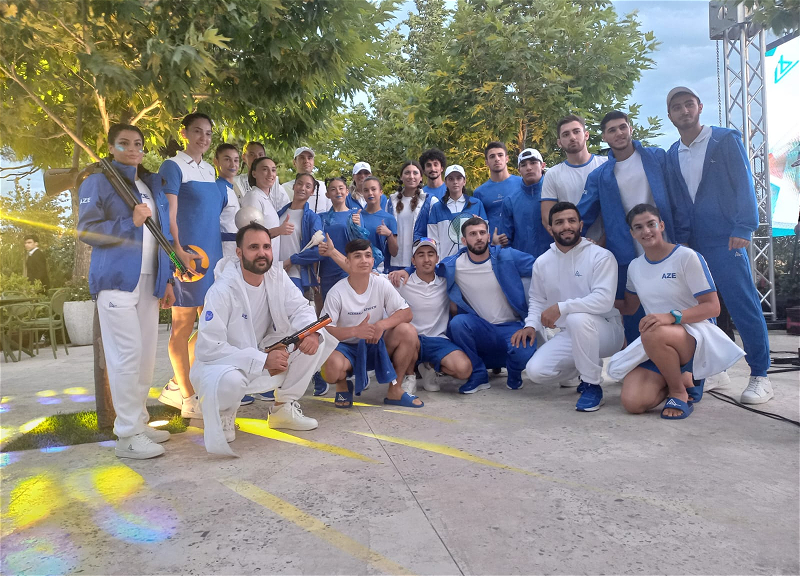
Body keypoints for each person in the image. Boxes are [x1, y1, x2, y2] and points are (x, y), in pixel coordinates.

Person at [664, 86, 773, 405]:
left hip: (726, 238)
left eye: (689, 104)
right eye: (677, 107)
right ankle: (715, 371)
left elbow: (743, 182)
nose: (684, 111)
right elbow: (677, 199)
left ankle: (760, 375)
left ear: (700, 107)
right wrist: (680, 238)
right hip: (692, 243)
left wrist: (744, 226)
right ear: (670, 115)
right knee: (700, 309)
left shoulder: (724, 139)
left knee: (743, 304)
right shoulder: (673, 152)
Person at [190, 223, 337, 456]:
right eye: (254, 247)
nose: (262, 253)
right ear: (239, 253)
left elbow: (300, 309)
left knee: (319, 337)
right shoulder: (221, 290)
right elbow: (209, 348)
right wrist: (262, 360)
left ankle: (283, 409)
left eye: (266, 247)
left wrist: (311, 332)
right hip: (224, 363)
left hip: (263, 351)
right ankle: (223, 413)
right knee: (230, 381)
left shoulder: (276, 276)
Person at [78, 123, 176, 459]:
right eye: (123, 143)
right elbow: (87, 231)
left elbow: (162, 235)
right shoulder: (98, 181)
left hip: (149, 280)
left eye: (138, 143)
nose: (132, 149)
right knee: (126, 356)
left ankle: (139, 423)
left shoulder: (149, 184)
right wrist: (128, 222)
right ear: (110, 147)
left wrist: (167, 279)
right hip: (116, 281)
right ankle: (127, 435)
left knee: (145, 358)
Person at [609, 204, 744, 419]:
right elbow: (628, 307)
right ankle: (684, 378)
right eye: (639, 227)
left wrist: (671, 317)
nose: (646, 231)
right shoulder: (635, 266)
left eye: (651, 224)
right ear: (632, 233)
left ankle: (678, 391)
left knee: (652, 331)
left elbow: (713, 307)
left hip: (694, 335)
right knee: (633, 402)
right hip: (657, 341)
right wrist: (588, 301)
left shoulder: (686, 256)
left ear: (661, 226)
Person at [577, 110, 683, 346]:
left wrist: (684, 237)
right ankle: (641, 361)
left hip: (665, 245)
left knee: (675, 305)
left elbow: (678, 198)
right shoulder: (600, 175)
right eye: (612, 130)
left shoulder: (657, 157)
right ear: (604, 137)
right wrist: (570, 242)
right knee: (634, 315)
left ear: (631, 129)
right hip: (626, 253)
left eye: (622, 127)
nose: (619, 133)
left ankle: (683, 361)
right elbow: (583, 214)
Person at [511, 202, 624, 412]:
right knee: (536, 372)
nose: (566, 226)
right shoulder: (542, 262)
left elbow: (604, 300)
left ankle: (591, 385)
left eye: (572, 221)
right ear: (550, 228)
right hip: (570, 333)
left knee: (576, 318)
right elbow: (537, 299)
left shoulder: (601, 256)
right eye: (559, 222)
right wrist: (531, 325)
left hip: (607, 331)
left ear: (581, 224)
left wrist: (561, 308)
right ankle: (583, 367)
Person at [157, 112, 227, 419]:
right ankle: (186, 397)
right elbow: (168, 216)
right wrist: (176, 256)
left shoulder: (210, 170)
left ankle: (177, 383)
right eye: (197, 131)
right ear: (184, 133)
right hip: (187, 259)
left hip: (213, 260)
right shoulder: (172, 166)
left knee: (212, 327)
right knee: (182, 327)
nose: (204, 138)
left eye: (209, 133)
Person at [320, 238, 423, 408]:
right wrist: (355, 331)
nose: (364, 260)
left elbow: (406, 313)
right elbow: (325, 329)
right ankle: (342, 384)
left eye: (367, 255)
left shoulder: (381, 284)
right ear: (347, 262)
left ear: (373, 261)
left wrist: (381, 325)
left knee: (408, 331)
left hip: (375, 343)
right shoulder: (336, 292)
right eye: (357, 256)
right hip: (346, 348)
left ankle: (395, 390)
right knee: (331, 370)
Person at [442, 217, 536, 393]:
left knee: (524, 353)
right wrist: (406, 271)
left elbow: (541, 266)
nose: (478, 237)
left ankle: (514, 372)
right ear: (464, 240)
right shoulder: (454, 264)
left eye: (482, 233)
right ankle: (478, 375)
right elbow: (428, 268)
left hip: (512, 327)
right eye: (473, 234)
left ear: (488, 236)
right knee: (458, 323)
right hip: (482, 329)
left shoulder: (506, 256)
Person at [388, 238, 473, 392]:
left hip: (438, 340)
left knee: (464, 369)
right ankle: (409, 375)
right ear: (413, 260)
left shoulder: (446, 282)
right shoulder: (400, 281)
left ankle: (429, 368)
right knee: (406, 334)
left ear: (437, 258)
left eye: (430, 254)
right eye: (421, 255)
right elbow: (371, 276)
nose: (426, 259)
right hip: (411, 340)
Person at [540, 114, 607, 241]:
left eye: (576, 132)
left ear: (586, 135)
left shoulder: (605, 165)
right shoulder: (553, 174)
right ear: (559, 143)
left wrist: (601, 244)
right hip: (571, 246)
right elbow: (547, 218)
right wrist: (572, 243)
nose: (572, 137)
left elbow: (617, 209)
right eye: (566, 134)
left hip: (608, 246)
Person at [421, 165, 487, 259]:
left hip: (473, 261)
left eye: (459, 178)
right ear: (446, 182)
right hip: (445, 262)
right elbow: (433, 239)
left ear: (464, 181)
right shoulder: (437, 207)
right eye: (451, 179)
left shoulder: (476, 204)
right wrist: (438, 262)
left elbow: (485, 234)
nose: (455, 182)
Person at [496, 148, 550, 258]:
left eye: (533, 163)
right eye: (524, 165)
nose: (529, 168)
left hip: (554, 262)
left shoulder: (555, 194)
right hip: (522, 265)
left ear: (542, 165)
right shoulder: (510, 201)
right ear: (519, 170)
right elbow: (504, 242)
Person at [276, 173, 323, 293]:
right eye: (300, 184)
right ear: (294, 186)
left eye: (308, 186)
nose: (302, 188)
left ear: (312, 192)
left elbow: (320, 250)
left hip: (295, 274)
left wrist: (292, 260)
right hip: (275, 271)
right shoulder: (280, 213)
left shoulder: (312, 218)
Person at [386, 160, 437, 271]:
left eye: (415, 173)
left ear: (421, 177)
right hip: (394, 261)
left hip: (419, 262)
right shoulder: (391, 202)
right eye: (407, 173)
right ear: (401, 177)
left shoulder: (430, 201)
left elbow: (435, 234)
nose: (411, 176)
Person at [241, 156, 293, 260]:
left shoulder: (266, 198)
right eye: (265, 169)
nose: (270, 174)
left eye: (273, 170)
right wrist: (279, 230)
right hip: (259, 260)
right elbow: (252, 234)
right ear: (254, 173)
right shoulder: (253, 197)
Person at [473, 141, 523, 233]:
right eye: (492, 156)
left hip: (520, 239)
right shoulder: (479, 192)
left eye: (500, 155)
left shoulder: (522, 184)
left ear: (507, 158)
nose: (497, 159)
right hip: (492, 241)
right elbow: (478, 224)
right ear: (486, 162)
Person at [232, 141, 287, 210]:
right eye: (252, 155)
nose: (257, 158)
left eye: (260, 155)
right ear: (244, 157)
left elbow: (286, 209)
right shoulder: (235, 182)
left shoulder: (275, 186)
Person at [360, 176, 398, 273]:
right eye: (366, 190)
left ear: (381, 192)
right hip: (360, 268)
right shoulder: (357, 217)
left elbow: (394, 252)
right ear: (362, 193)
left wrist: (389, 234)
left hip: (380, 271)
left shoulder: (389, 219)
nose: (370, 193)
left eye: (373, 189)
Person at [282, 146, 331, 214]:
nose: (306, 161)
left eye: (309, 158)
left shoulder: (323, 186)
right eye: (302, 158)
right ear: (294, 162)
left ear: (313, 162)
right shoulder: (285, 188)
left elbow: (330, 212)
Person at [214, 143, 241, 258]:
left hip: (234, 249)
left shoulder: (231, 188)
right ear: (216, 161)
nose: (233, 164)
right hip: (223, 251)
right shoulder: (219, 188)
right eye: (227, 159)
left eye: (236, 160)